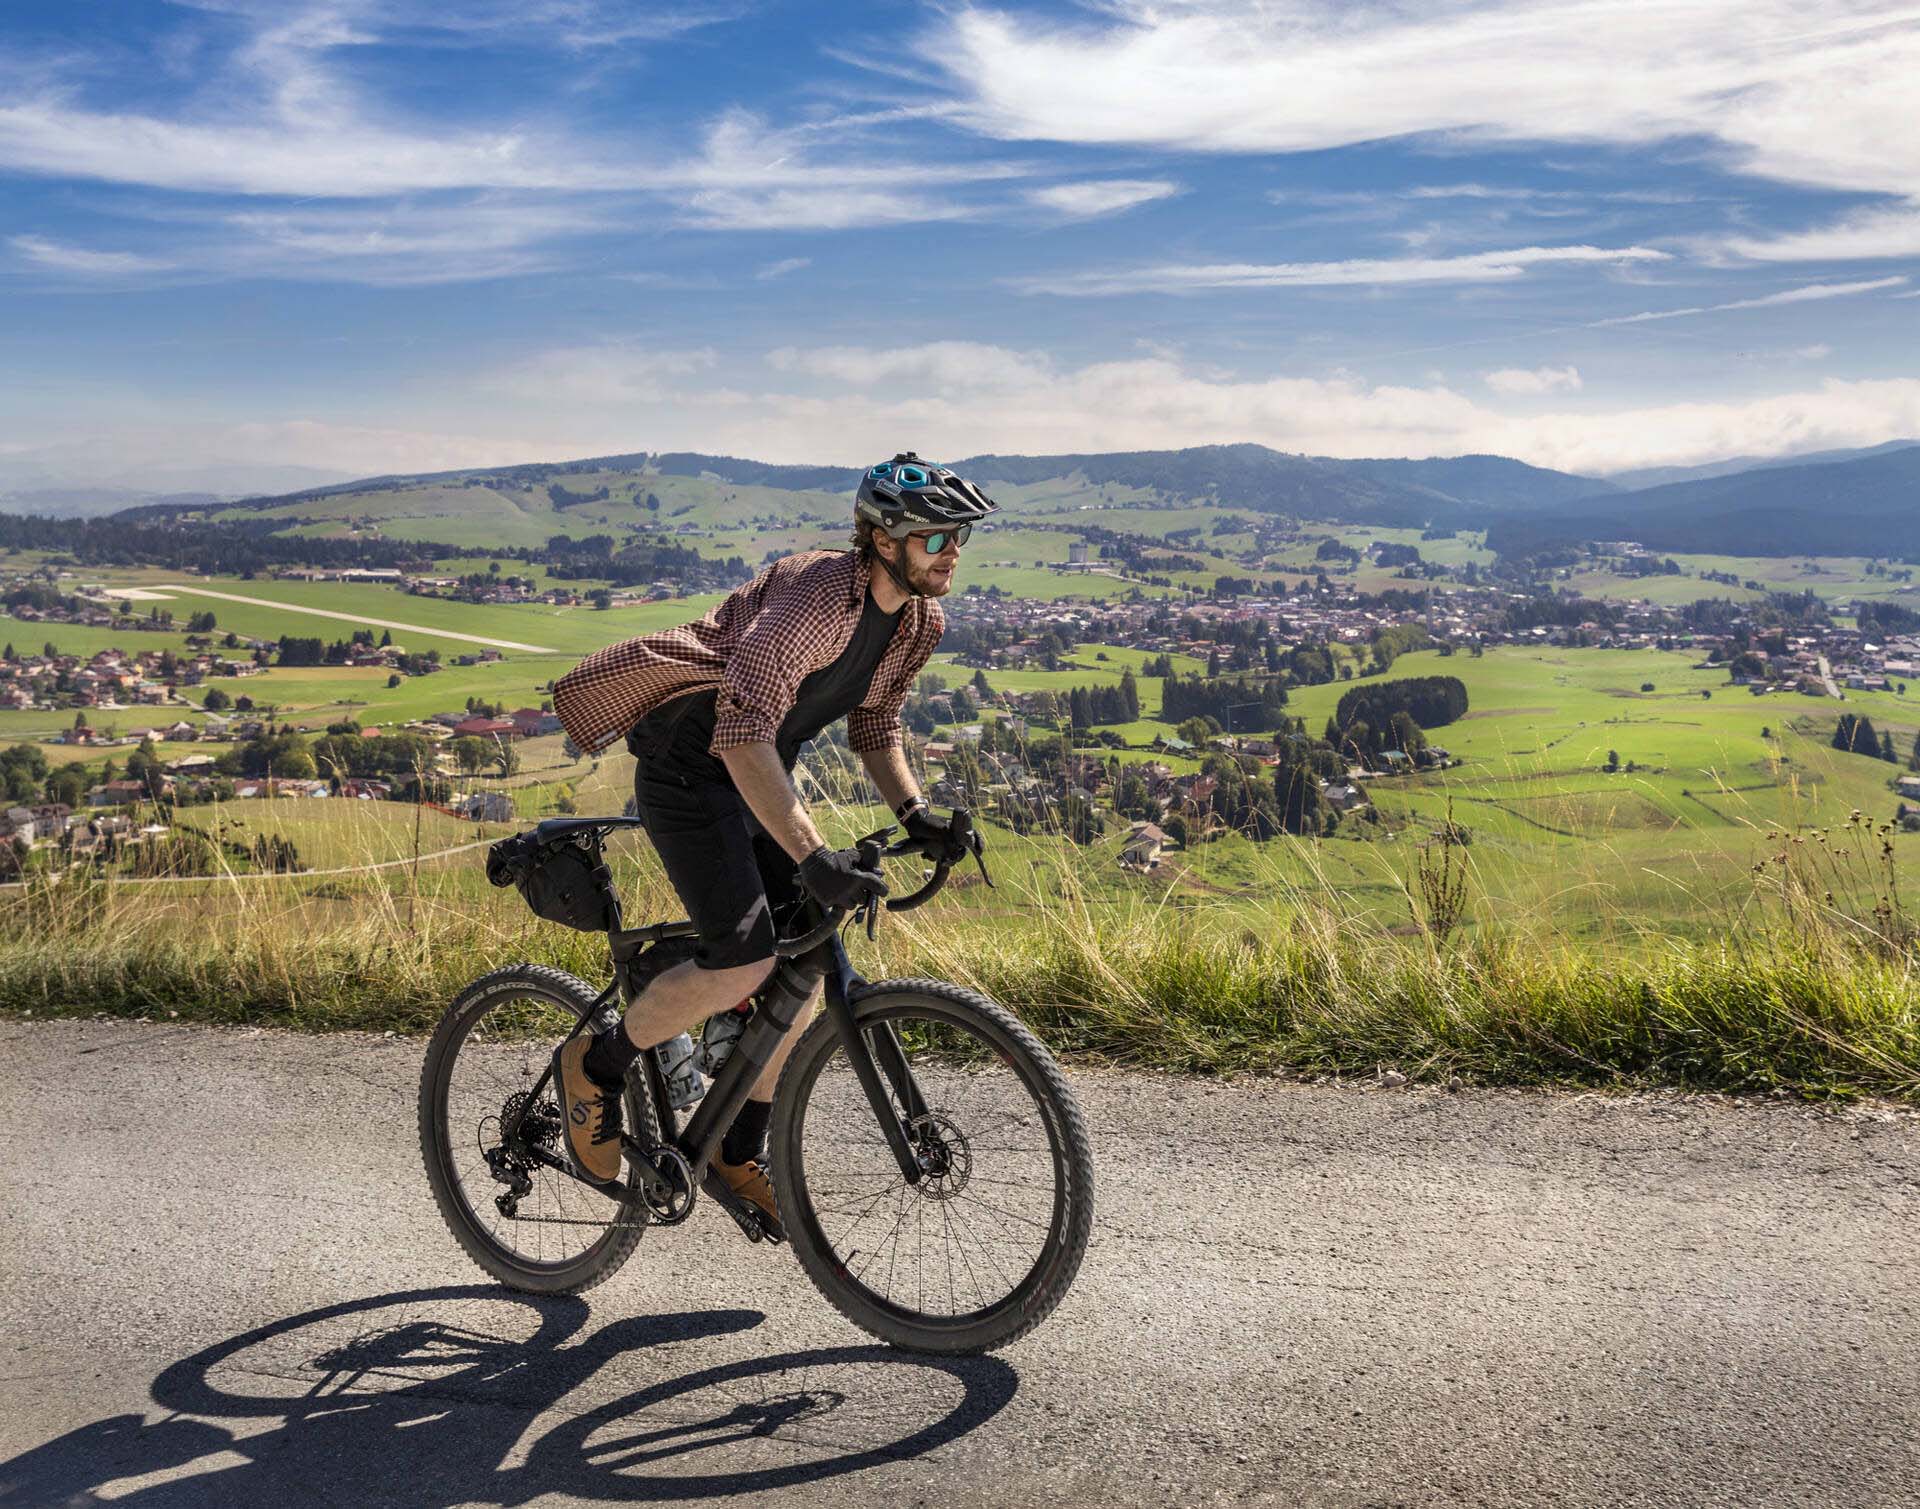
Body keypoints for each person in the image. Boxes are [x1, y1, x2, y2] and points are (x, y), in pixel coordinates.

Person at [549, 452, 996, 1236]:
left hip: (757, 772)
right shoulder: (819, 598)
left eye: (959, 537)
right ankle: (596, 1067)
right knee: (747, 955)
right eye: (937, 538)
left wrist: (916, 811)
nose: (953, 551)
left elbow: (875, 723)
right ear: (885, 538)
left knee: (805, 959)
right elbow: (741, 726)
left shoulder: (918, 621)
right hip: (693, 765)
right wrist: (813, 854)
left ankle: (734, 1148)